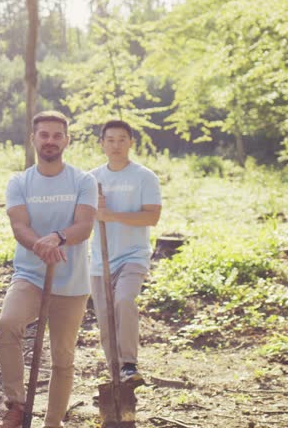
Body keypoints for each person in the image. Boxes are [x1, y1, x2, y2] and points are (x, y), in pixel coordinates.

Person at [0, 111, 97, 428]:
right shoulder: (19, 182)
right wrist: (40, 245)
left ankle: (53, 422)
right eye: (44, 134)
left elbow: (84, 225)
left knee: (62, 357)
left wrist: (59, 237)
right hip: (31, 275)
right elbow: (19, 225)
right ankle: (16, 404)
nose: (50, 141)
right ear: (34, 139)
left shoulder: (83, 180)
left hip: (72, 281)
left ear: (67, 140)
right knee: (8, 323)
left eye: (57, 135)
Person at [90, 120, 161, 386]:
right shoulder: (92, 178)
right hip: (100, 260)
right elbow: (82, 218)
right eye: (110, 140)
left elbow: (152, 217)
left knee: (124, 301)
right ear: (102, 144)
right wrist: (92, 210)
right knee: (106, 320)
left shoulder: (144, 176)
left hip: (133, 256)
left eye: (122, 139)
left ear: (131, 142)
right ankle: (116, 379)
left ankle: (129, 364)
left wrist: (111, 215)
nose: (116, 145)